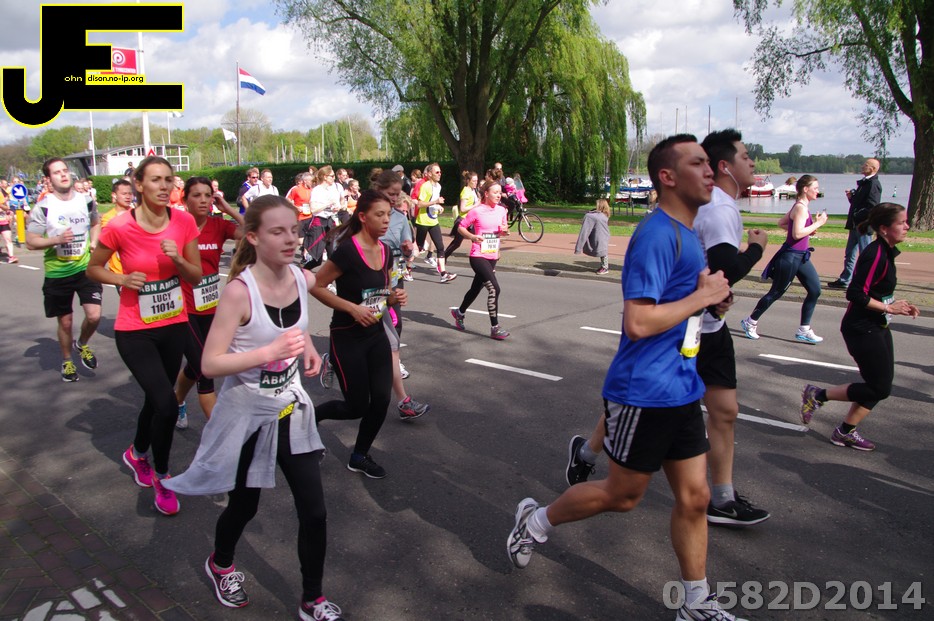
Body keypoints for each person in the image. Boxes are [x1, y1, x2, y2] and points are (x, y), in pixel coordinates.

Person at [506, 135, 746, 621]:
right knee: (622, 495)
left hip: (682, 386)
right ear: (668, 177)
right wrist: (699, 299)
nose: (710, 171)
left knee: (696, 498)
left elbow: (680, 305)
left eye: (710, 163)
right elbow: (638, 322)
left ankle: (696, 603)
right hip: (644, 391)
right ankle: (535, 521)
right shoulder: (657, 235)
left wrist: (709, 301)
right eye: (698, 163)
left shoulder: (688, 233)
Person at [163, 195, 345, 620]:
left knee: (314, 511)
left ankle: (312, 599)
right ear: (253, 238)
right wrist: (269, 353)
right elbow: (210, 364)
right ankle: (220, 564)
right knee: (245, 506)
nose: (291, 239)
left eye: (294, 230)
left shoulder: (300, 277)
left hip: (290, 409)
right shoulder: (238, 292)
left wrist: (307, 348)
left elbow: (296, 325)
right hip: (247, 414)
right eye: (277, 231)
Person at [87, 156, 203, 516]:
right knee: (166, 404)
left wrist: (178, 260)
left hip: (173, 324)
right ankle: (163, 477)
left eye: (169, 179)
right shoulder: (119, 226)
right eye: (155, 179)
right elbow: (93, 268)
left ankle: (137, 452)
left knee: (156, 402)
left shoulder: (183, 221)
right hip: (135, 330)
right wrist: (121, 279)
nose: (164, 186)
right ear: (138, 184)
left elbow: (196, 276)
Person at [693, 129, 770, 526]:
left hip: (711, 324)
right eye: (745, 156)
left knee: (725, 411)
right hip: (685, 329)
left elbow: (714, 271)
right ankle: (588, 452)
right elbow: (726, 269)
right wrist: (757, 248)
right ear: (725, 166)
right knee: (640, 406)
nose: (752, 162)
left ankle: (722, 499)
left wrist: (717, 296)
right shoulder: (719, 209)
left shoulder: (718, 206)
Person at [801, 203, 919, 451]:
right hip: (861, 327)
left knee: (880, 384)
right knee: (879, 387)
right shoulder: (875, 254)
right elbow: (855, 293)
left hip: (877, 324)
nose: (907, 226)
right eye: (901, 222)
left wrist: (900, 305)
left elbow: (878, 290)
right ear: (884, 228)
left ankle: (845, 432)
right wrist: (889, 308)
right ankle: (818, 395)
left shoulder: (887, 251)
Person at [311, 190, 406, 479]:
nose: (386, 220)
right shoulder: (347, 252)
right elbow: (315, 285)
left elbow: (380, 291)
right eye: (380, 214)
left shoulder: (386, 251)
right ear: (363, 217)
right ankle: (311, 418)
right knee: (356, 406)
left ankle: (359, 455)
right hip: (347, 337)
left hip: (375, 335)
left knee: (381, 400)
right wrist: (351, 308)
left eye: (388, 214)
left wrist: (393, 297)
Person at [174, 177, 244, 429]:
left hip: (210, 306)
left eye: (208, 195)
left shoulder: (218, 225)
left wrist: (228, 209)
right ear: (185, 200)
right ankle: (221, 433)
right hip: (183, 307)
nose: (203, 200)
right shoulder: (176, 226)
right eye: (197, 195)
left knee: (198, 364)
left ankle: (177, 400)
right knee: (205, 368)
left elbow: (254, 233)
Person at [26, 158, 103, 382]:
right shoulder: (44, 207)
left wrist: (94, 242)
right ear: (49, 179)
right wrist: (56, 240)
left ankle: (82, 344)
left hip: (84, 268)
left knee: (94, 315)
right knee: (66, 321)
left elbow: (95, 223)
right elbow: (31, 241)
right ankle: (67, 360)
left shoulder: (86, 201)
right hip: (58, 273)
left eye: (64, 170)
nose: (63, 174)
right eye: (56, 172)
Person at [369, 169, 430, 420]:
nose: (394, 199)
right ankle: (335, 358)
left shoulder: (400, 218)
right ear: (378, 190)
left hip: (391, 283)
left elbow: (407, 250)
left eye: (397, 194)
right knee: (361, 336)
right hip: (368, 288)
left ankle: (403, 402)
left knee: (393, 338)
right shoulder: (364, 215)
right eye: (390, 193)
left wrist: (406, 250)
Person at [740, 175, 828, 343]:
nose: (818, 191)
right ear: (805, 189)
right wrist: (818, 224)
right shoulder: (800, 208)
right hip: (790, 257)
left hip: (801, 257)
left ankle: (804, 329)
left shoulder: (801, 206)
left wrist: (809, 229)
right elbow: (796, 234)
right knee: (776, 292)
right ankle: (750, 322)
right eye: (815, 188)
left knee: (815, 290)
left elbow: (782, 223)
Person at [450, 180, 510, 340]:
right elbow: (461, 227)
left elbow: (502, 231)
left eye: (500, 192)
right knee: (494, 289)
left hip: (492, 255)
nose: (499, 195)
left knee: (475, 289)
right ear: (486, 194)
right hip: (478, 255)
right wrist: (472, 236)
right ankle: (495, 328)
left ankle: (459, 312)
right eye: (495, 192)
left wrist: (504, 232)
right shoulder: (476, 211)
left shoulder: (502, 210)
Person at [828, 158, 881, 289]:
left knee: (865, 255)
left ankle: (866, 281)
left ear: (873, 169)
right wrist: (852, 198)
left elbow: (872, 206)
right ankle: (845, 279)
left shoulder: (873, 184)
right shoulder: (864, 183)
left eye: (866, 165)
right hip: (855, 224)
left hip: (863, 226)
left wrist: (858, 215)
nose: (862, 166)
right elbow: (858, 204)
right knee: (850, 253)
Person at [414, 162, 456, 282]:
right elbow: (420, 204)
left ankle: (443, 274)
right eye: (437, 172)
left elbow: (433, 201)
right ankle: (405, 266)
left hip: (433, 221)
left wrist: (438, 207)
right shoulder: (425, 186)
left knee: (440, 247)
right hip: (423, 221)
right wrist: (436, 202)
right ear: (430, 174)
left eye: (440, 172)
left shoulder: (438, 186)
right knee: (419, 248)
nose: (439, 174)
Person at [99, 179, 135, 279]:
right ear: (114, 195)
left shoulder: (137, 213)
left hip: (138, 269)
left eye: (130, 194)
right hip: (119, 272)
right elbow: (110, 238)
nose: (128, 197)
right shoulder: (108, 217)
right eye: (124, 194)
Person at [443, 170, 480, 260]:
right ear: (468, 181)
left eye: (476, 181)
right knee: (457, 243)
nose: (476, 183)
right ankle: (443, 257)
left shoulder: (473, 190)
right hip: (464, 221)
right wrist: (475, 205)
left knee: (477, 240)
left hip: (471, 220)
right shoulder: (466, 191)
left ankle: (480, 259)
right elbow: (462, 209)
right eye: (474, 181)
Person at [574, 198, 611, 274]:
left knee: (603, 252)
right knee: (603, 251)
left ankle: (605, 267)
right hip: (603, 235)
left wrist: (578, 248)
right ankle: (604, 266)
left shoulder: (594, 216)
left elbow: (584, 231)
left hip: (601, 235)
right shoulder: (604, 215)